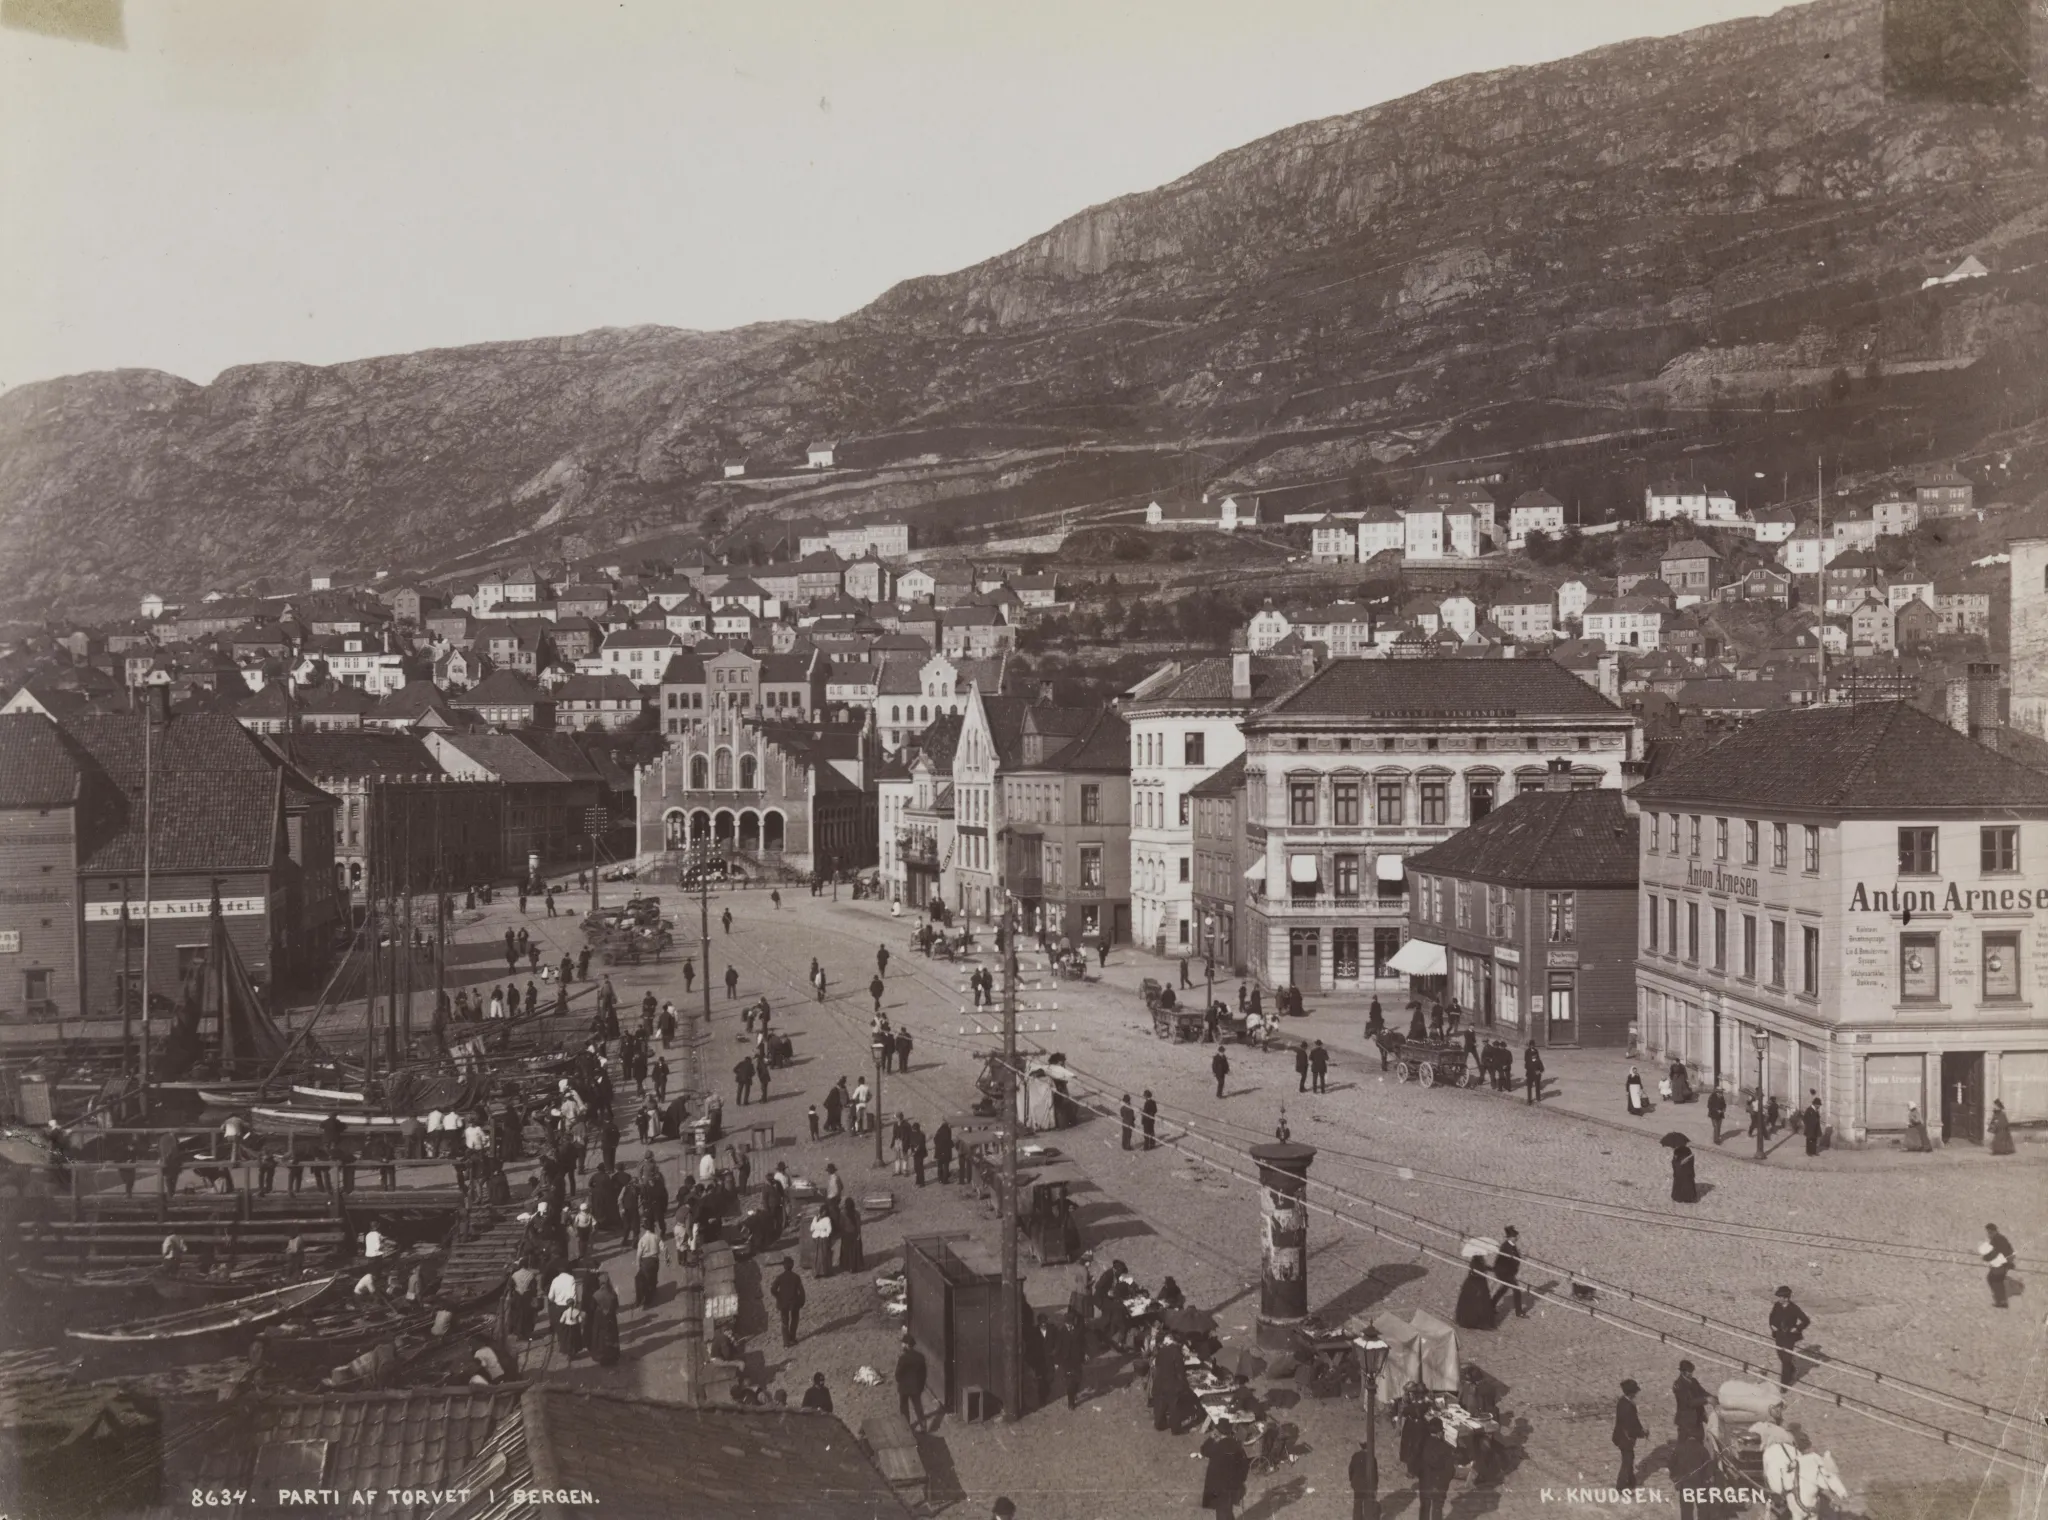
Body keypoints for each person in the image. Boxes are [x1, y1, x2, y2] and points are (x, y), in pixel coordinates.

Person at [1200, 1426, 1251, 1520]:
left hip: (1217, 1487)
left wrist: (1211, 1438)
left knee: (1222, 1513)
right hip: (1232, 1487)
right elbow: (1244, 1466)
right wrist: (1240, 1482)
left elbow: (1204, 1451)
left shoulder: (1215, 1447)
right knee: (1226, 1510)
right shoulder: (1237, 1446)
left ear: (1218, 1433)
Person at [1769, 1286, 1810, 1387]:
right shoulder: (1777, 1305)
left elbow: (1806, 1320)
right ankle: (1791, 1369)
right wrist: (1772, 1325)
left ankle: (1784, 1384)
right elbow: (1772, 1316)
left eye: (1781, 1297)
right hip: (1779, 1335)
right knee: (1781, 1357)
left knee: (1786, 1360)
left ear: (1786, 1298)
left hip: (1789, 1337)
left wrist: (1797, 1328)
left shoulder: (1794, 1308)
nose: (1779, 1299)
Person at [1612, 1379, 1646, 1490]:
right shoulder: (1627, 1407)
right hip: (1625, 1439)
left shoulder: (1623, 1402)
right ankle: (1621, 1487)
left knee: (1629, 1458)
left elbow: (1634, 1421)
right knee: (1627, 1462)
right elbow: (1631, 1426)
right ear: (1631, 1393)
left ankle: (1632, 1482)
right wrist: (1642, 1433)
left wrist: (1641, 1430)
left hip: (1621, 1437)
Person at [895, 1331, 929, 1433]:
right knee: (918, 1406)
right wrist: (921, 1386)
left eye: (903, 1343)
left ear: (906, 1345)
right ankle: (923, 1426)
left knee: (904, 1407)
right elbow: (923, 1374)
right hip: (916, 1387)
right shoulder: (920, 1357)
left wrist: (900, 1381)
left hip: (904, 1388)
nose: (901, 1345)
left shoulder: (903, 1358)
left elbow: (898, 1374)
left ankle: (906, 1428)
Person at [1492, 1226, 1528, 1318]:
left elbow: (1515, 1256)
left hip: (1506, 1271)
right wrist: (1519, 1257)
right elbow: (1512, 1257)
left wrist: (1520, 1256)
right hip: (1503, 1272)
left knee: (1503, 1289)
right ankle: (1519, 1312)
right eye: (1515, 1236)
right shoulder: (1506, 1246)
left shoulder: (1511, 1245)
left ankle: (1491, 1305)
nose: (1517, 1238)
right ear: (1510, 1237)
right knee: (1517, 1290)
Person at [1455, 1253, 1496, 1330]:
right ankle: (1477, 1322)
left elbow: (1484, 1267)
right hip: (1475, 1285)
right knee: (1477, 1304)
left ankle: (1478, 1322)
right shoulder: (1475, 1262)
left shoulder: (1479, 1260)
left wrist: (1491, 1269)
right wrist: (1483, 1273)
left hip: (1480, 1283)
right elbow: (1476, 1272)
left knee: (1480, 1303)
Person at [1672, 1359, 1710, 1442]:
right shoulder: (1678, 1385)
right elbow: (1690, 1403)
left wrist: (1714, 1397)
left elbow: (1702, 1392)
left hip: (1698, 1420)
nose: (1691, 1374)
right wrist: (1706, 1399)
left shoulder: (1693, 1381)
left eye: (1691, 1371)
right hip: (1686, 1422)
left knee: (1700, 1443)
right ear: (1682, 1372)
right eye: (1689, 1372)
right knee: (1684, 1446)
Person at [587, 1272, 621, 1365]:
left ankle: (602, 1357)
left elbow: (591, 1308)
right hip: (611, 1318)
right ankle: (613, 1356)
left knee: (600, 1338)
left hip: (600, 1319)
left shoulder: (596, 1294)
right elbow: (616, 1306)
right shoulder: (613, 1293)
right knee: (612, 1336)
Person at [772, 1257, 806, 1345]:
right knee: (794, 1320)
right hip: (794, 1303)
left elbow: (773, 1289)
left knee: (784, 1322)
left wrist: (778, 1296)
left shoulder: (780, 1277)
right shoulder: (796, 1277)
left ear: (784, 1266)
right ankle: (792, 1338)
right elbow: (801, 1291)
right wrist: (802, 1301)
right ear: (792, 1265)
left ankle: (786, 1342)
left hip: (783, 1303)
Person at [1985, 1223, 2016, 1308]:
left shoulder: (1997, 1239)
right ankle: (2002, 1301)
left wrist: (1987, 1257)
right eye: (1988, 1232)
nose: (1989, 1234)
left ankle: (2001, 1301)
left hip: (2002, 1264)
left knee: (1993, 1279)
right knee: (1997, 1281)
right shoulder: (1999, 1238)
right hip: (2003, 1263)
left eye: (1990, 1232)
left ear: (1994, 1231)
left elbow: (1997, 1252)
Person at [1348, 1437, 1379, 1520]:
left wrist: (1352, 1480)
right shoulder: (1372, 1457)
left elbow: (1350, 1470)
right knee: (1368, 1504)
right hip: (1368, 1485)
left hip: (1357, 1484)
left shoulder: (1355, 1456)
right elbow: (1375, 1474)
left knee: (1357, 1504)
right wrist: (1375, 1486)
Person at [1670, 1138, 1697, 1203]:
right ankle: (1688, 1198)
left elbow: (1675, 1162)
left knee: (1680, 1184)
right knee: (1687, 1184)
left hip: (1681, 1172)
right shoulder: (1687, 1150)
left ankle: (1679, 1197)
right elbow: (1691, 1162)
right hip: (1687, 1171)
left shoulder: (1677, 1150)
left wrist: (1676, 1162)